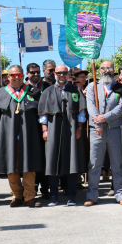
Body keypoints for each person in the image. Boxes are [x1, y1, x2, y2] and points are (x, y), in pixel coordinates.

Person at [0, 65, 43, 207]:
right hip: (8, 135)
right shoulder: (2, 92)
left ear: (23, 75)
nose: (16, 78)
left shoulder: (32, 91)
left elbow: (41, 111)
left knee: (28, 165)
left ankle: (29, 196)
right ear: (8, 77)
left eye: (19, 75)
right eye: (13, 75)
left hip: (28, 135)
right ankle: (17, 196)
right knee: (11, 166)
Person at [38, 65, 87, 207]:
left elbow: (82, 113)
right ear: (54, 73)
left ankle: (71, 196)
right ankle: (53, 196)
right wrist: (45, 130)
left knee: (72, 162)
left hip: (72, 130)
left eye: (64, 73)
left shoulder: (75, 89)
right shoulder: (47, 91)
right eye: (58, 73)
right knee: (53, 162)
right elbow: (43, 115)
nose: (61, 75)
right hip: (52, 130)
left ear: (68, 74)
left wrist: (79, 128)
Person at [84, 60, 122, 206]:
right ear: (99, 71)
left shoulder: (120, 87)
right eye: (104, 68)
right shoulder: (92, 86)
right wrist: (98, 122)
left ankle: (120, 194)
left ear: (113, 70)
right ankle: (92, 195)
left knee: (117, 163)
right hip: (96, 130)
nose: (107, 71)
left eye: (110, 68)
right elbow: (90, 105)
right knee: (95, 163)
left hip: (114, 129)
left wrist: (105, 117)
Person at [25, 62, 51, 200]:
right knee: (32, 158)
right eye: (32, 72)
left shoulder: (47, 87)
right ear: (27, 74)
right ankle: (31, 188)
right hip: (29, 128)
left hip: (45, 127)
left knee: (45, 158)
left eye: (37, 72)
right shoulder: (23, 89)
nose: (36, 74)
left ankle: (45, 188)